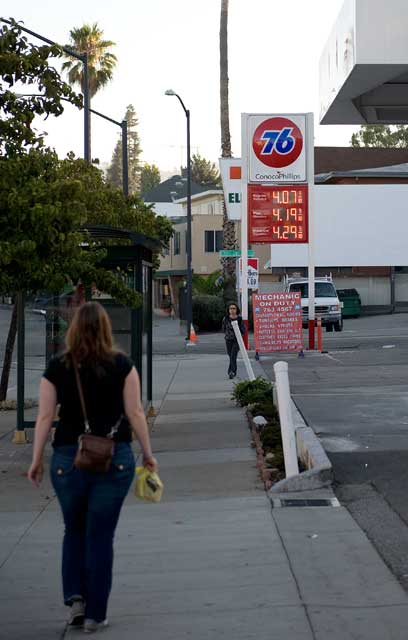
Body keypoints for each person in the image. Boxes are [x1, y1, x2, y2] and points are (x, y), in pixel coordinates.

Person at [27, 302, 158, 633]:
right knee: (101, 536)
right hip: (114, 459)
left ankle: (76, 600)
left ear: (73, 330)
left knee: (73, 530)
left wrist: (35, 459)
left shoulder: (57, 368)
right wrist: (148, 453)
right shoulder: (123, 366)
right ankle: (96, 614)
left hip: (67, 460)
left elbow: (45, 417)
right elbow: (136, 413)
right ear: (105, 329)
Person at [221, 303, 246, 379]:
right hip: (228, 339)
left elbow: (243, 329)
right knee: (231, 356)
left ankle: (232, 372)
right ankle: (232, 371)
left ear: (236, 309)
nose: (232, 310)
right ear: (228, 310)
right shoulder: (226, 318)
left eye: (234, 308)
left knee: (233, 355)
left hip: (237, 340)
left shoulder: (239, 319)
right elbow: (223, 328)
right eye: (230, 308)